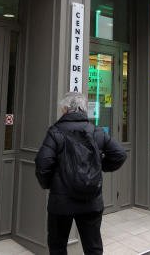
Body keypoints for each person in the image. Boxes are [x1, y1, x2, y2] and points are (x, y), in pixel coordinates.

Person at [35, 92, 127, 254]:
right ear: (84, 109)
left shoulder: (55, 131)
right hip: (91, 200)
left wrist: (50, 184)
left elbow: (43, 164)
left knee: (57, 246)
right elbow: (119, 154)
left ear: (65, 109)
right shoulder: (96, 131)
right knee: (93, 247)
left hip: (61, 202)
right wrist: (100, 166)